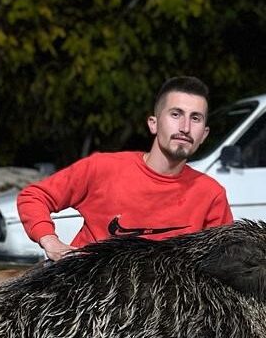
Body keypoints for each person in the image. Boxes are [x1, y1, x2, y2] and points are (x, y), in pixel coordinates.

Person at [17, 76, 234, 261]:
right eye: (176, 114)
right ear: (154, 123)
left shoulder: (211, 195)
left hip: (162, 305)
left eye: (195, 118)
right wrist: (51, 241)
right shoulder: (103, 168)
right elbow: (33, 196)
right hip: (90, 297)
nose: (185, 128)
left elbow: (225, 262)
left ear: (204, 134)